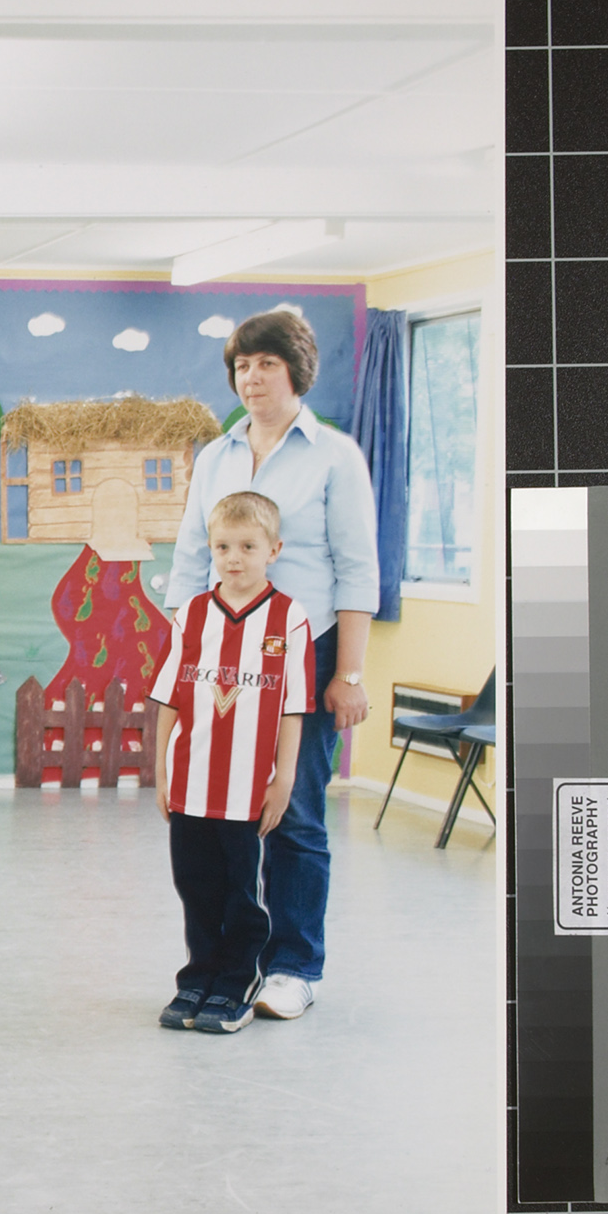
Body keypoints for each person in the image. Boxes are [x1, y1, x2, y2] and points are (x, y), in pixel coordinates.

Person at [166, 308, 377, 1022]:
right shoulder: (215, 456)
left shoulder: (335, 456)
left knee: (293, 814)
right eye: (241, 365)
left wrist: (348, 674)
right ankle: (227, 959)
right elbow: (191, 559)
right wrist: (183, 649)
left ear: (297, 371)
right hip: (218, 656)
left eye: (265, 364)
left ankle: (293, 965)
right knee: (218, 817)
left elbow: (356, 569)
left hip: (303, 653)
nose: (251, 378)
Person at [150, 491, 314, 1035]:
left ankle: (238, 978)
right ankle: (197, 977)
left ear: (274, 549)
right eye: (223, 546)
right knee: (194, 885)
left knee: (240, 889)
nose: (234, 557)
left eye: (248, 546)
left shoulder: (289, 619)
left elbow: (292, 707)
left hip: (248, 787)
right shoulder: (192, 614)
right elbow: (171, 700)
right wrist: (162, 773)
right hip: (191, 782)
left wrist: (284, 779)